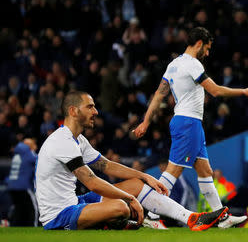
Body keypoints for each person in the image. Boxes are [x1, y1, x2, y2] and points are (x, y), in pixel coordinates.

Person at [35, 91, 228, 231]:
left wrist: (144, 176)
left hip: (75, 202)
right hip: (59, 216)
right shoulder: (62, 142)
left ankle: (192, 219)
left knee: (136, 185)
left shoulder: (79, 140)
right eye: (90, 106)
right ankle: (121, 223)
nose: (96, 112)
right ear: (73, 111)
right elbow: (92, 182)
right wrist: (130, 199)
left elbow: (107, 165)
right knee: (120, 206)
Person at [133, 27, 248, 229]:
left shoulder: (174, 65)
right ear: (199, 43)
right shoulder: (193, 64)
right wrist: (243, 91)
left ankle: (221, 217)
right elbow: (215, 91)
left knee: (205, 171)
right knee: (173, 171)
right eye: (207, 48)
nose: (208, 53)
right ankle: (150, 214)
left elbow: (158, 94)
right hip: (188, 123)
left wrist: (146, 121)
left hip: (188, 123)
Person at [6, 138, 38, 227]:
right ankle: (34, 226)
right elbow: (40, 162)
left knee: (19, 209)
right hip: (23, 186)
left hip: (12, 186)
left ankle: (15, 226)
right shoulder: (28, 153)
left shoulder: (16, 154)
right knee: (33, 208)